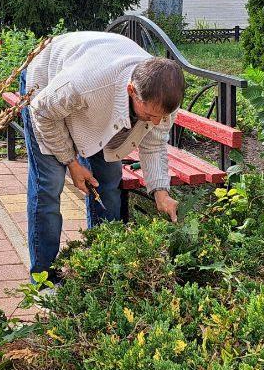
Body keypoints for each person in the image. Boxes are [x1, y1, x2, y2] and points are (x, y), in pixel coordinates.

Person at [21, 31, 185, 281]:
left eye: (161, 117)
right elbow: (42, 111)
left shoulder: (162, 100)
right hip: (46, 91)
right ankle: (43, 276)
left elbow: (153, 146)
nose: (156, 122)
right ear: (132, 91)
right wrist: (71, 163)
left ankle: (102, 266)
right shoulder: (86, 84)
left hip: (94, 107)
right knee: (49, 186)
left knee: (108, 184)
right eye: (150, 114)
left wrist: (161, 192)